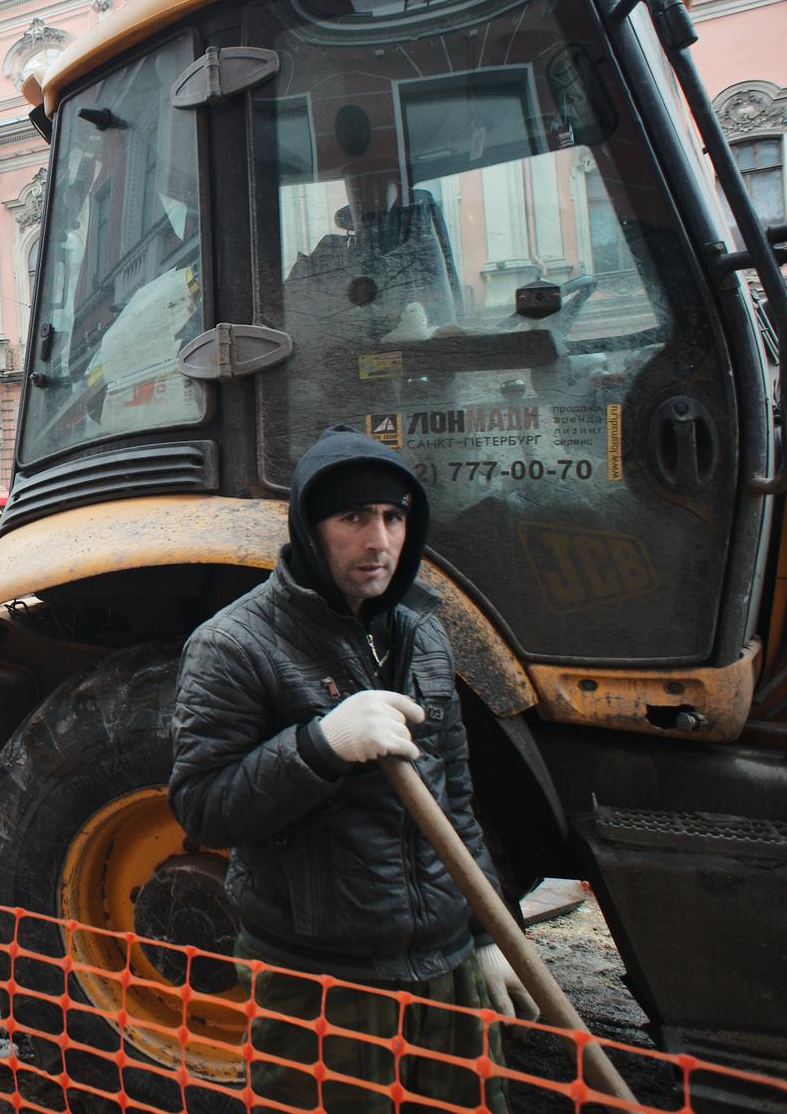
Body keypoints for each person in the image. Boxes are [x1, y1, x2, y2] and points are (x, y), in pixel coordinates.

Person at [170, 425, 532, 1113]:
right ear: (311, 528)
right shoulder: (234, 646)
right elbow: (202, 805)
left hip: (444, 964)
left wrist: (487, 931)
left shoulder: (421, 631)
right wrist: (318, 747)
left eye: (394, 517)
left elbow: (454, 799)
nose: (380, 541)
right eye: (354, 518)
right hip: (322, 981)